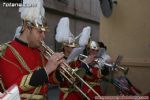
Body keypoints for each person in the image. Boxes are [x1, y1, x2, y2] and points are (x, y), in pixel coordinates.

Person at [0, 0, 64, 99]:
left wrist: (60, 70)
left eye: (44, 32)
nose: (43, 36)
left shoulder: (38, 51)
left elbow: (50, 79)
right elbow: (14, 85)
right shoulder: (8, 51)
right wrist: (47, 69)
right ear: (26, 28)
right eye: (40, 32)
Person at [55, 17, 84, 100]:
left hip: (77, 94)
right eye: (71, 45)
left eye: (74, 45)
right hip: (66, 95)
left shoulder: (76, 59)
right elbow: (60, 80)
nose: (73, 48)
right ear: (64, 46)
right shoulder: (59, 59)